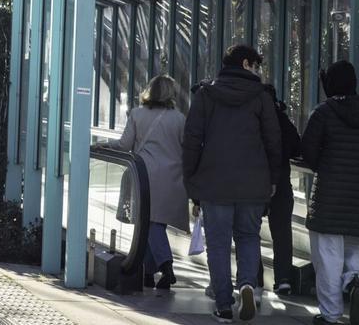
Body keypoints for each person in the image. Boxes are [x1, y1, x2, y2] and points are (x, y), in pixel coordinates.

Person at [182, 44, 281, 323]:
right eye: (256, 64)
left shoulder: (205, 94)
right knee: (249, 237)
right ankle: (248, 284)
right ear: (246, 63)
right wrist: (273, 178)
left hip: (214, 182)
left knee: (218, 243)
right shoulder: (261, 97)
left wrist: (190, 178)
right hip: (253, 183)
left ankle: (224, 305)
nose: (258, 70)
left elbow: (192, 140)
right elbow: (273, 139)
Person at [301, 61, 359, 325]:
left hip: (330, 196)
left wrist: (324, 167)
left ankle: (330, 314)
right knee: (355, 250)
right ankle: (356, 281)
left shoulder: (324, 113)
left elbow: (309, 152)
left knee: (328, 257)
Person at [99, 75, 188, 290]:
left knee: (149, 223)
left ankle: (166, 266)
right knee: (156, 224)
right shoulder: (179, 118)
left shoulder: (137, 114)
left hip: (144, 176)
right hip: (173, 179)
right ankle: (148, 274)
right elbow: (187, 149)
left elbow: (124, 144)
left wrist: (105, 144)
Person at [256, 84, 302, 297]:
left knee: (249, 231)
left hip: (254, 183)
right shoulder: (283, 120)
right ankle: (283, 279)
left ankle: (254, 277)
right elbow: (297, 146)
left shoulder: (252, 119)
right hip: (282, 182)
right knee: (282, 232)